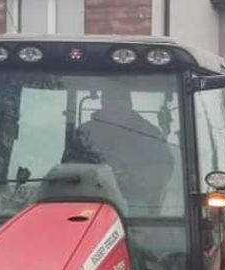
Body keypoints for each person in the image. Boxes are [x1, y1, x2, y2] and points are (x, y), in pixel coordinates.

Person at [65, 84, 174, 213]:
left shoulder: (149, 134)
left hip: (135, 199)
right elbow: (68, 167)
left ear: (129, 106)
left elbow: (163, 169)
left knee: (138, 214)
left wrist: (130, 177)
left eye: (120, 108)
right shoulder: (84, 134)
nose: (115, 112)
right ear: (103, 106)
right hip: (92, 196)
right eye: (111, 109)